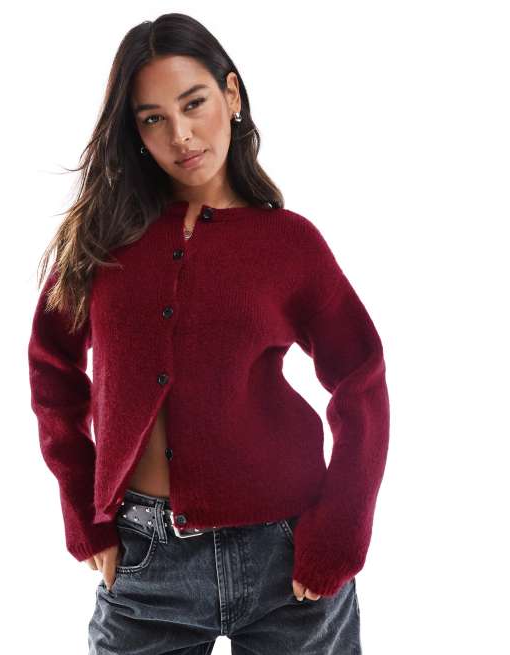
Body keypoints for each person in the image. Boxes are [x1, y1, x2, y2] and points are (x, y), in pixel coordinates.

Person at [27, 12, 390, 655]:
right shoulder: (103, 242)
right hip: (145, 559)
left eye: (193, 103)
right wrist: (82, 511)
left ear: (232, 94)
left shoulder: (289, 243)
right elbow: (52, 368)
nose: (181, 135)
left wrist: (342, 528)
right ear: (134, 131)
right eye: (153, 118)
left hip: (289, 556)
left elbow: (361, 380)